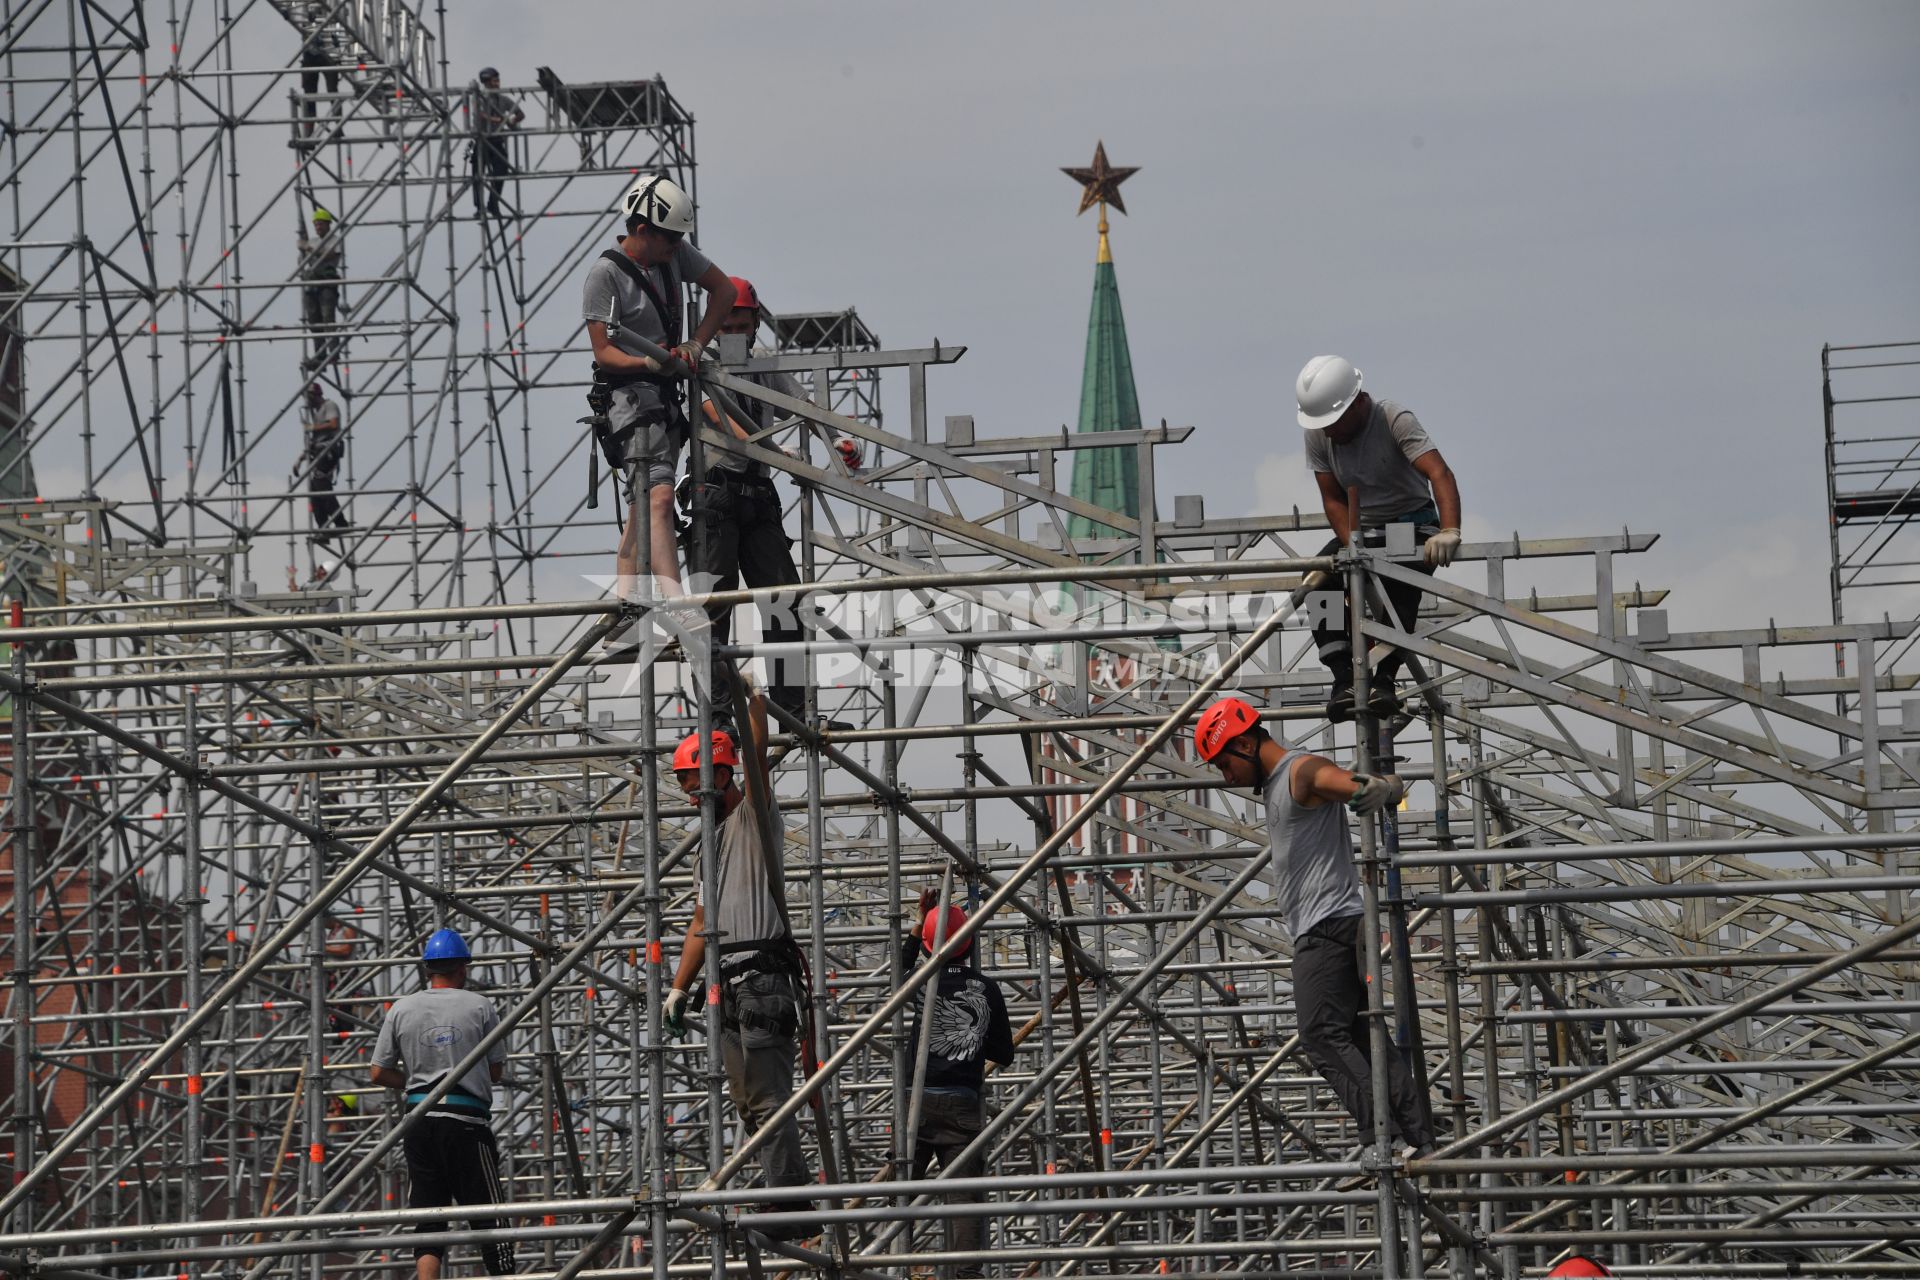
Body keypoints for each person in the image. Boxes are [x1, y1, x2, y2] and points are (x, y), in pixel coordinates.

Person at [1194, 697, 1435, 1158]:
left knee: (1320, 1035)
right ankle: (1417, 1138)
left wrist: (1379, 788)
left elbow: (1347, 785)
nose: (1226, 777)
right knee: (1363, 1037)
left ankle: (1380, 1135)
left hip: (1326, 928)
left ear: (1244, 742)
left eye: (1224, 763)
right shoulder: (1279, 786)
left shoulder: (1299, 772)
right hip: (1336, 924)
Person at [661, 692, 816, 1238]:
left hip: (761, 977)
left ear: (722, 775)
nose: (688, 795)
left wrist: (754, 697)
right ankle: (784, 1191)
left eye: (695, 782)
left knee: (769, 1093)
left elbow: (756, 758)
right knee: (747, 1099)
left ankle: (791, 1201)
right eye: (684, 785)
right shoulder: (709, 844)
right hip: (725, 986)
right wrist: (679, 989)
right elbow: (702, 920)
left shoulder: (753, 815)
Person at [580, 173, 737, 624]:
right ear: (643, 229)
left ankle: (627, 605)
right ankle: (677, 605)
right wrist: (648, 364)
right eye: (670, 237)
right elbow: (604, 352)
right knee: (660, 498)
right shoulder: (605, 275)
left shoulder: (676, 256)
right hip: (630, 400)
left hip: (665, 398)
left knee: (644, 503)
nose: (677, 246)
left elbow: (723, 291)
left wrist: (695, 345)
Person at [1296, 355, 1463, 721]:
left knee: (1398, 585)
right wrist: (1352, 546)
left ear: (1358, 402)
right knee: (1317, 580)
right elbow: (1333, 499)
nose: (1330, 432)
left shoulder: (1392, 419)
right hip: (1363, 531)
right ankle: (1344, 680)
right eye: (1323, 425)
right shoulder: (1318, 434)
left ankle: (1384, 680)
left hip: (1411, 523)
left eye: (1335, 423)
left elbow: (1439, 472)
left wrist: (1449, 530)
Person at [686, 277, 813, 727]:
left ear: (756, 321)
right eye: (729, 323)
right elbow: (715, 414)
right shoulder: (698, 362)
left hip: (759, 495)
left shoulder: (763, 361)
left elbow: (801, 406)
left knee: (786, 603)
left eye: (744, 323)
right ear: (714, 324)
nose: (737, 332)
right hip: (716, 496)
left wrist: (838, 436)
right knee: (713, 612)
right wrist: (777, 453)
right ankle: (718, 720)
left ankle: (792, 713)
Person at [370, 929, 515, 1278]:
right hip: (466, 1122)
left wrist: (419, 1083)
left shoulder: (401, 1009)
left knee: (429, 1216)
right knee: (490, 1218)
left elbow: (378, 1072)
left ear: (428, 969)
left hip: (419, 1122)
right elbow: (495, 1071)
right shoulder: (479, 1005)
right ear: (462, 968)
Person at [899, 895, 1013, 1280]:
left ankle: (894, 1263)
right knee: (964, 1198)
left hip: (919, 1098)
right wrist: (975, 1044)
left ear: (930, 945)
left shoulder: (920, 982)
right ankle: (967, 1274)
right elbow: (1005, 1053)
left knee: (904, 1191)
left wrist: (918, 923)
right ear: (970, 943)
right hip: (963, 1104)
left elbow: (896, 974)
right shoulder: (987, 989)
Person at [469, 68, 523, 218]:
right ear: (486, 82)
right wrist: (499, 119)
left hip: (496, 140)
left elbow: (520, 113)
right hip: (481, 140)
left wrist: (512, 120)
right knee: (477, 176)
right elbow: (479, 114)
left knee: (501, 170)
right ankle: (480, 208)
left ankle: (493, 203)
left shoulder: (502, 99)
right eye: (494, 81)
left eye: (498, 80)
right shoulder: (478, 97)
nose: (498, 83)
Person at [298, 381, 347, 541]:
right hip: (319, 451)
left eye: (309, 397)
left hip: (329, 450)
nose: (307, 402)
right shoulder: (316, 413)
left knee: (321, 484)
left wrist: (312, 427)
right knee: (314, 491)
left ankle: (340, 523)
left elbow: (334, 424)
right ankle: (323, 529)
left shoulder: (329, 405)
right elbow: (313, 441)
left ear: (315, 395)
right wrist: (300, 459)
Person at [298, 207, 344, 368]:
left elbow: (329, 255)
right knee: (314, 321)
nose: (318, 227)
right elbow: (303, 260)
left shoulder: (334, 240)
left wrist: (308, 248)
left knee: (327, 319)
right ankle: (320, 354)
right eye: (316, 224)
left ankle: (333, 352)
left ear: (328, 224)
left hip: (327, 283)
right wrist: (303, 248)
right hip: (312, 283)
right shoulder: (312, 241)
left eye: (320, 224)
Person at [297, 4, 343, 141]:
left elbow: (338, 20)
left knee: (333, 92)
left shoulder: (330, 4)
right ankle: (309, 133)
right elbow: (299, 19)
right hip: (310, 53)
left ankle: (339, 126)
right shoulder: (304, 6)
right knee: (310, 96)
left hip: (327, 52)